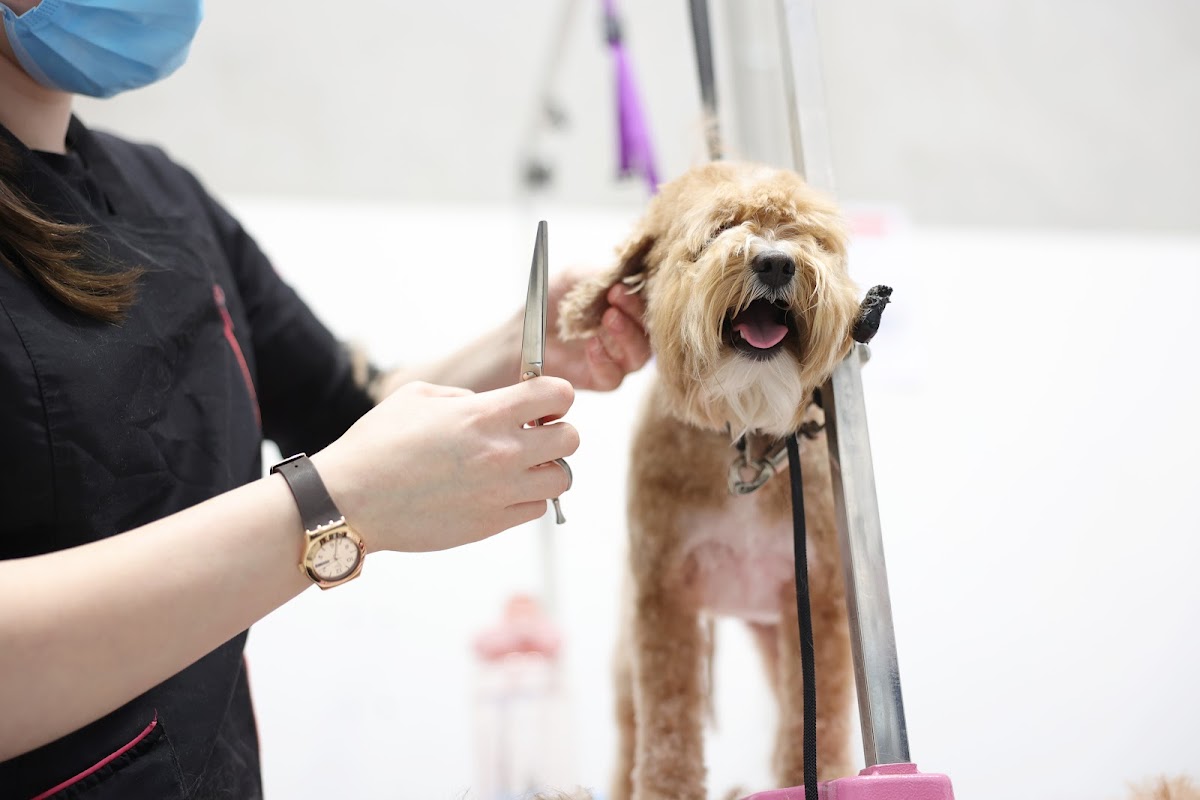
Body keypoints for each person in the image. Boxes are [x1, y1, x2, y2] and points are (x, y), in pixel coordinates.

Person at [0, 1, 651, 797]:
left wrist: (525, 337)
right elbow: (345, 474)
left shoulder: (162, 195)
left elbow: (342, 409)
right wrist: (328, 508)